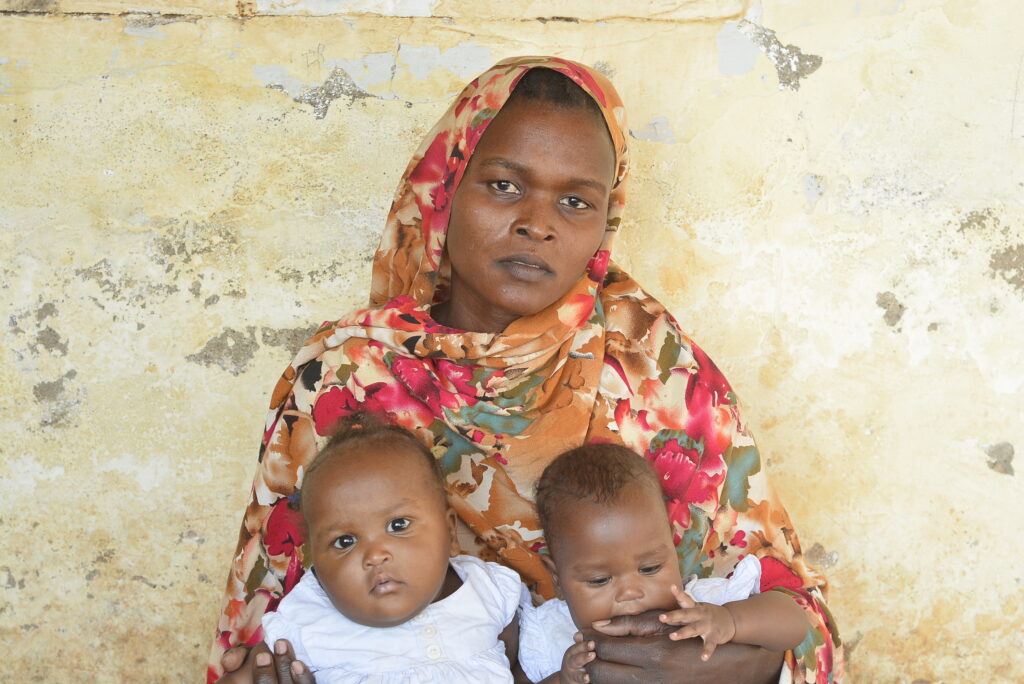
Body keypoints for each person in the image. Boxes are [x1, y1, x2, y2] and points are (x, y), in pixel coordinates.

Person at [209, 56, 843, 683]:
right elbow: (271, 621)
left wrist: (714, 661)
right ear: (444, 191)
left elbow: (794, 615)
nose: (536, 225)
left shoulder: (651, 365)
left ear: (604, 221)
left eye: (574, 201)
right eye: (504, 186)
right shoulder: (346, 374)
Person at [258, 414, 524, 683]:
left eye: (398, 525)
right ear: (316, 565)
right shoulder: (304, 623)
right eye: (345, 542)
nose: (375, 556)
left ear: (450, 533)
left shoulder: (488, 594)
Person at [518, 443, 809, 684]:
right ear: (557, 578)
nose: (631, 592)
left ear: (672, 546)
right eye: (599, 580)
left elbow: (794, 623)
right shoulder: (551, 637)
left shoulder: (701, 608)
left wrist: (731, 622)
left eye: (649, 568)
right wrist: (563, 680)